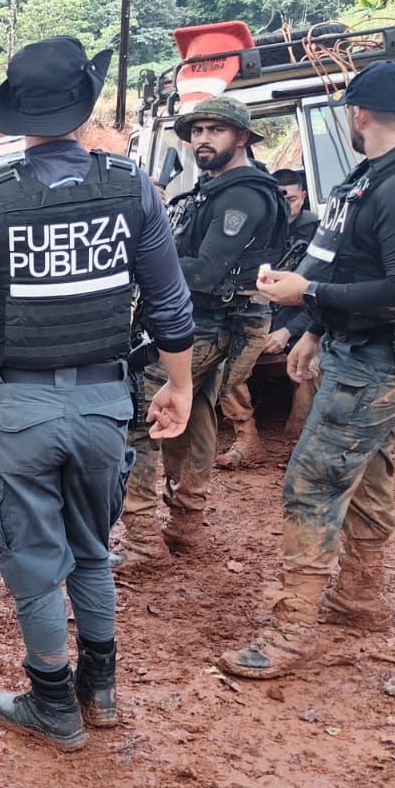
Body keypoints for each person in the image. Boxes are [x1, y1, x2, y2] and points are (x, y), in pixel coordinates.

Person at [0, 36, 195, 752]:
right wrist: (181, 387)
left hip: (23, 412)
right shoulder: (132, 186)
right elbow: (169, 305)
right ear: (82, 110)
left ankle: (52, 704)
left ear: (20, 115)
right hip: (106, 404)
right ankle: (99, 693)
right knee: (93, 549)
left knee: (36, 560)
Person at [222, 61, 395, 679]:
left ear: (357, 113)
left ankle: (289, 630)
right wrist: (317, 332)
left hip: (386, 356)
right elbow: (352, 265)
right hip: (356, 349)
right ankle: (358, 596)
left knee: (314, 481)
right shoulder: (375, 175)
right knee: (369, 465)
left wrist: (309, 298)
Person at [119, 95, 288, 565]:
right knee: (193, 416)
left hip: (210, 325)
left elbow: (205, 272)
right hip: (213, 323)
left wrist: (141, 259)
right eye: (197, 131)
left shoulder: (241, 193)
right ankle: (187, 525)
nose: (203, 139)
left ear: (241, 137)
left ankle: (141, 541)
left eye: (216, 130)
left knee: (141, 418)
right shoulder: (213, 189)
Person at [216, 167, 319, 468]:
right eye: (280, 199)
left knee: (311, 365)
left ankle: (301, 446)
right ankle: (247, 440)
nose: (287, 206)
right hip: (256, 320)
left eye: (293, 199)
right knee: (224, 366)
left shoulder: (316, 234)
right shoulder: (253, 231)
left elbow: (323, 294)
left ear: (303, 197)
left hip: (302, 325)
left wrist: (287, 331)